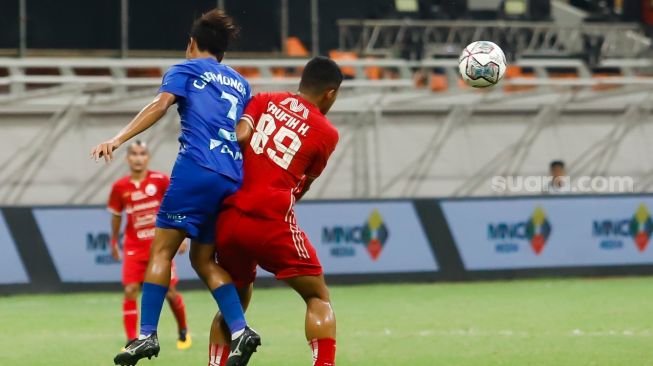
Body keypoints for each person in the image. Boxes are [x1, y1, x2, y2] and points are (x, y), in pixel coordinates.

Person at [90, 9, 260, 366]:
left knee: (161, 252)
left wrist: (118, 138)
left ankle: (146, 334)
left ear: (192, 44)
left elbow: (160, 105)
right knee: (202, 258)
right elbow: (245, 134)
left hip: (196, 168)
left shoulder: (184, 69)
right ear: (223, 51)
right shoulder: (241, 83)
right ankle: (241, 329)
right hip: (231, 176)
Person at [209, 56, 342, 366]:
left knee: (235, 302)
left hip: (228, 217)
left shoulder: (264, 99)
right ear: (330, 93)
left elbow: (239, 139)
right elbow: (302, 186)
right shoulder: (327, 133)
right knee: (318, 297)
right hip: (271, 221)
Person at [107, 141, 191, 351]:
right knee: (130, 289)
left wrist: (182, 236)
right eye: (133, 154)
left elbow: (175, 205)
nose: (137, 158)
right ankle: (131, 340)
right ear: (127, 158)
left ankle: (182, 329)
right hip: (134, 247)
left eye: (142, 154)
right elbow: (117, 215)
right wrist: (114, 240)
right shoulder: (120, 187)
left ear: (148, 158)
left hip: (160, 246)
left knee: (170, 292)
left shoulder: (160, 180)